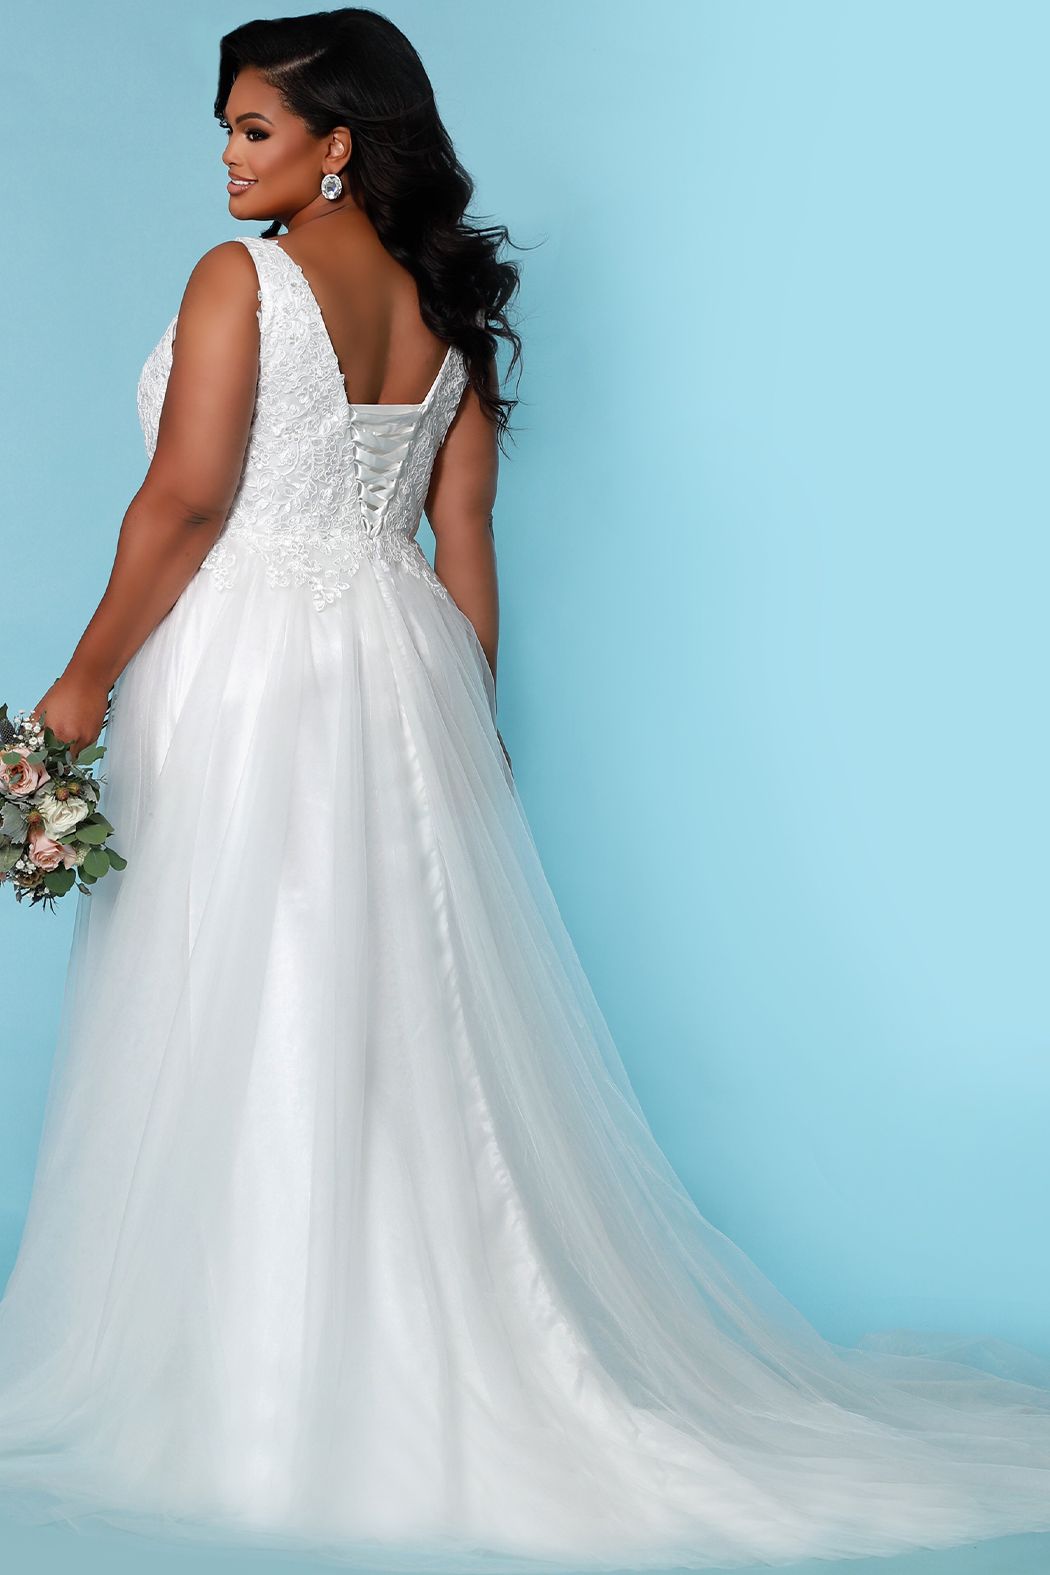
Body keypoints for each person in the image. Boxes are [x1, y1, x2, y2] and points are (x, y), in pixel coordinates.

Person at [2, 9, 1049, 1571]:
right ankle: (389, 1343)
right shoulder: (442, 308)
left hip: (246, 662)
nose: (226, 157)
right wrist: (460, 723)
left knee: (243, 987)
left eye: (254, 130)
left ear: (337, 144)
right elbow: (462, 540)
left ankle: (260, 1379)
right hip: (397, 663)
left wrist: (79, 684)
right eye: (226, 129)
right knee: (388, 1011)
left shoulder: (242, 280)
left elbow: (187, 500)